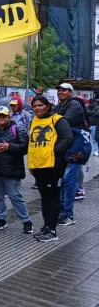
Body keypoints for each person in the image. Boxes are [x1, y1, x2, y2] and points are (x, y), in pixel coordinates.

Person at [28, 96, 74, 242]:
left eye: (40, 105)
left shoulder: (58, 119)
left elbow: (68, 138)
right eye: (34, 106)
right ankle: (46, 226)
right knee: (44, 197)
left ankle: (52, 231)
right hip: (38, 165)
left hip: (54, 165)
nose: (37, 108)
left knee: (52, 197)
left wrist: (53, 151)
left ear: (47, 106)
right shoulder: (34, 121)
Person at [0, 106, 33, 233]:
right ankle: (1, 219)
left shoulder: (18, 129)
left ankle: (26, 221)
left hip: (12, 170)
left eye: (4, 116)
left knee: (15, 196)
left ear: (9, 116)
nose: (1, 118)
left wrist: (8, 147)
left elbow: (25, 147)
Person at [54, 83, 86, 226]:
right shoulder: (59, 106)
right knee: (63, 179)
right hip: (66, 145)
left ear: (71, 92)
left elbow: (63, 123)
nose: (60, 92)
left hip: (75, 146)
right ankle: (63, 211)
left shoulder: (74, 105)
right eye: (59, 90)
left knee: (68, 180)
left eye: (64, 90)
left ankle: (68, 214)